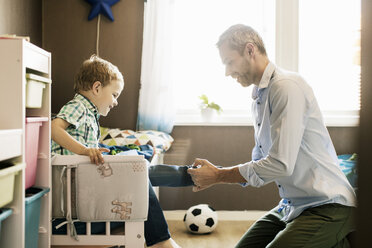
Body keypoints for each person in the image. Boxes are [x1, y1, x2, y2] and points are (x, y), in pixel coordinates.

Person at [187, 24, 356, 248]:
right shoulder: (259, 96)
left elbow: (280, 165)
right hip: (291, 205)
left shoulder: (286, 87)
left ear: (250, 50)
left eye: (229, 62)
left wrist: (219, 176)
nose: (227, 72)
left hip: (327, 205)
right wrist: (214, 173)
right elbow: (261, 163)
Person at [51, 55, 192, 248]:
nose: (116, 102)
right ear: (97, 87)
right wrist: (85, 150)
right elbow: (53, 128)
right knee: (140, 175)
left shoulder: (90, 114)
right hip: (76, 190)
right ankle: (189, 177)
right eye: (115, 95)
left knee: (138, 169)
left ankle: (189, 175)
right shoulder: (79, 106)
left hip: (87, 183)